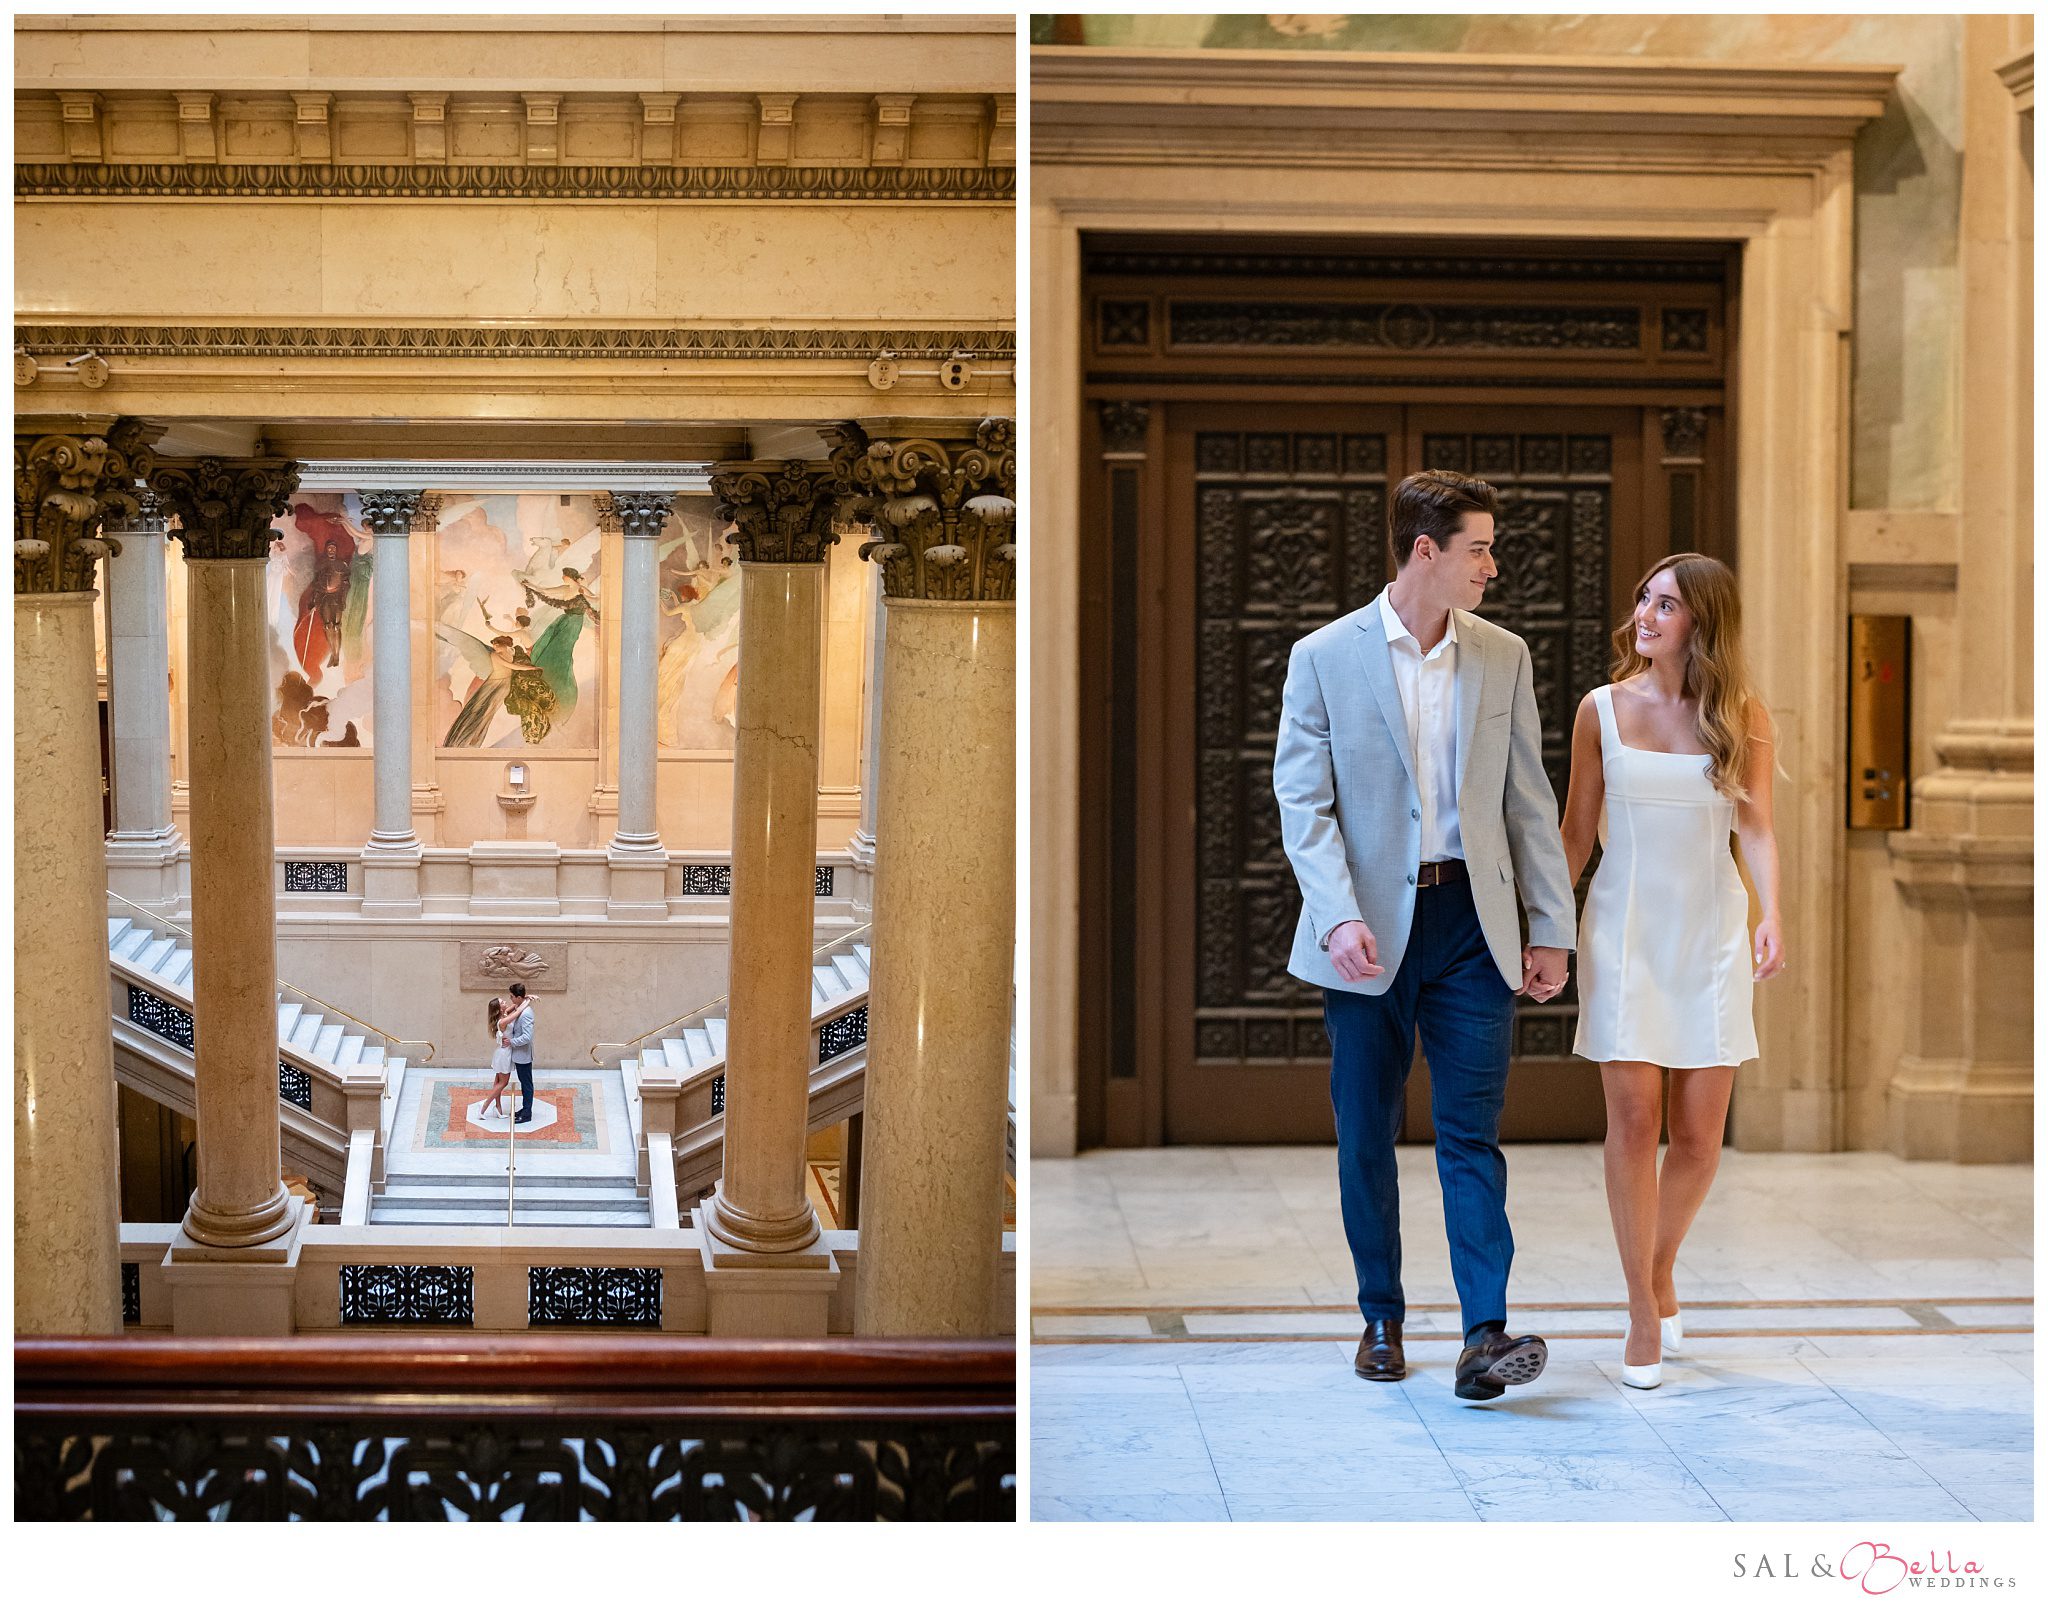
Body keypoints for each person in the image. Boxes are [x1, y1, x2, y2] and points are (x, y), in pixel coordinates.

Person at [1274, 469, 1576, 1402]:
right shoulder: (1325, 656)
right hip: (1365, 931)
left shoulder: (1504, 656)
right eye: (1478, 549)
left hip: (1472, 927)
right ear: (1425, 552)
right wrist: (1337, 915)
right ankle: (1381, 1316)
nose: (1492, 565)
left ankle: (1485, 1334)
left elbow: (1528, 801)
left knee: (1470, 1135)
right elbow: (1303, 804)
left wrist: (1549, 927)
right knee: (1367, 1131)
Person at [1559, 553, 1786, 1390]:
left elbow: (1756, 828)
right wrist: (1543, 932)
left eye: (1666, 606)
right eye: (1644, 600)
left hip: (1711, 932)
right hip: (1623, 932)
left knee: (1696, 1136)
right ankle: (1640, 1310)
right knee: (1632, 1117)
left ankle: (1659, 1267)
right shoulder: (1599, 710)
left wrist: (1772, 916)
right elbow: (1575, 835)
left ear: (1703, 624)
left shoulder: (1743, 716)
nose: (1645, 617)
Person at [505, 982, 536, 1124]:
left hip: (523, 1055)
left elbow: (527, 1037)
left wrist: (511, 1042)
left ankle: (527, 1113)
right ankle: (525, 1109)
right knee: (524, 1082)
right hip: (519, 1054)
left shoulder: (526, 1014)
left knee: (526, 1084)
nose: (510, 999)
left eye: (512, 996)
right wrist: (527, 998)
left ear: (518, 997)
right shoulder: (519, 1007)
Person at [483, 996, 516, 1117]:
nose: (505, 1002)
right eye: (502, 1002)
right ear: (499, 1008)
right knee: (503, 1082)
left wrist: (525, 998)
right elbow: (518, 1011)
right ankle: (484, 1106)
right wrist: (526, 1000)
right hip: (504, 1054)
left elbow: (514, 1007)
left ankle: (498, 1107)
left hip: (501, 1052)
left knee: (498, 1081)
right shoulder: (502, 1021)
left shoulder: (503, 1015)